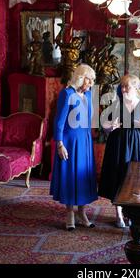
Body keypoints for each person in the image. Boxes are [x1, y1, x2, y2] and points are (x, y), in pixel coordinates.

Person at [99, 74, 140, 228]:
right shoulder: (116, 104)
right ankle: (118, 214)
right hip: (118, 144)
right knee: (119, 176)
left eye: (126, 86)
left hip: (138, 144)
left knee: (136, 179)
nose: (123, 89)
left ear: (136, 88)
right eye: (121, 86)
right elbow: (104, 125)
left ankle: (131, 213)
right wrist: (112, 126)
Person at [50, 64, 98, 231]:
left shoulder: (90, 94)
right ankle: (70, 212)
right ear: (80, 77)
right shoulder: (67, 93)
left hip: (84, 141)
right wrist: (59, 144)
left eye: (92, 80)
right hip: (69, 141)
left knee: (83, 175)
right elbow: (60, 121)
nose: (91, 83)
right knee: (70, 175)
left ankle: (82, 212)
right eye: (89, 79)